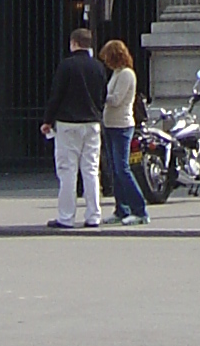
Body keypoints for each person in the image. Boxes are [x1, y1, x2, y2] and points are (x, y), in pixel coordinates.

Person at [42, 25, 109, 230]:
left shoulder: (66, 66)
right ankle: (93, 216)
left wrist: (48, 120)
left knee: (67, 171)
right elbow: (102, 96)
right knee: (90, 170)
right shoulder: (98, 67)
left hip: (68, 123)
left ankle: (66, 217)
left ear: (73, 43)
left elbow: (57, 95)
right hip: (92, 123)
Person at [99, 37, 149, 224]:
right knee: (115, 170)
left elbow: (117, 99)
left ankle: (140, 209)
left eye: (107, 57)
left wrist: (101, 94)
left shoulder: (127, 74)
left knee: (123, 169)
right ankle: (122, 209)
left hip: (121, 125)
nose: (106, 62)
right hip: (111, 124)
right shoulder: (117, 73)